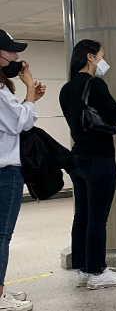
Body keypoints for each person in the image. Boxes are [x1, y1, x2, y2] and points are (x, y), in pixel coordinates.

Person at [59, 39, 116, 290]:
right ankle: (98, 272)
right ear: (90, 57)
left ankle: (84, 269)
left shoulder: (66, 89)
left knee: (81, 216)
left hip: (77, 158)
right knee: (98, 218)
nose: (104, 61)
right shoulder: (95, 84)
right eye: (101, 56)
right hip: (99, 157)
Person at [1, 30, 45, 311]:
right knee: (2, 235)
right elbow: (20, 124)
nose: (17, 57)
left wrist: (31, 100)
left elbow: (20, 119)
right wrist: (28, 88)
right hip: (6, 171)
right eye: (11, 52)